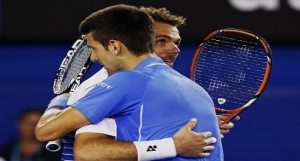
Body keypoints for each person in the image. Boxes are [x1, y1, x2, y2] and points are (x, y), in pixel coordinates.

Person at [35, 4, 223, 161]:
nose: (92, 57)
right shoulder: (195, 89)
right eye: (162, 41)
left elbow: (52, 135)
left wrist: (58, 101)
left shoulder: (124, 81)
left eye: (94, 48)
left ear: (115, 46)